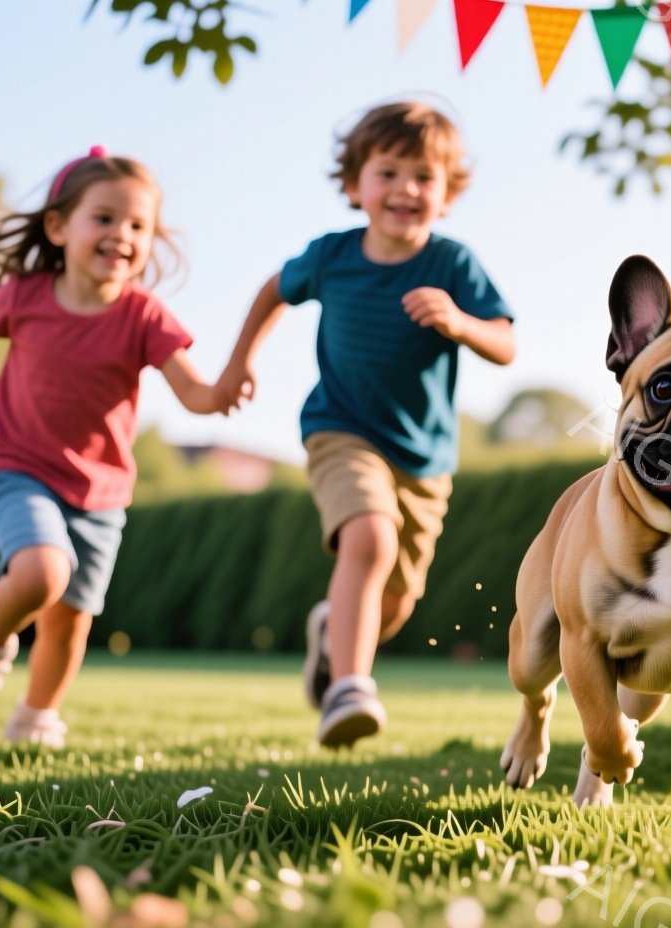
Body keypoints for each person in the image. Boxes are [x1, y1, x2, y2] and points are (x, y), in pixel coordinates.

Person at [0, 147, 229, 748]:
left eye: (139, 226)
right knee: (44, 573)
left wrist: (221, 392)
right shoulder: (26, 298)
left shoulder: (145, 316)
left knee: (70, 622)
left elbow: (192, 390)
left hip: (101, 492)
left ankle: (36, 718)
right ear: (60, 226)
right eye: (106, 218)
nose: (123, 234)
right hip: (19, 467)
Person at [216, 101, 515, 748]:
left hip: (424, 458)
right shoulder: (332, 257)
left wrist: (461, 323)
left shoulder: (453, 266)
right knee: (370, 539)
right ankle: (349, 687)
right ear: (355, 186)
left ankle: (333, 636)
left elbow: (505, 342)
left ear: (447, 194)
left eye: (423, 176)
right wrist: (240, 362)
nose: (406, 188)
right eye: (388, 173)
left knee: (398, 603)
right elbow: (273, 289)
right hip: (340, 429)